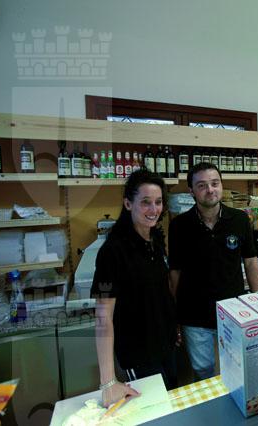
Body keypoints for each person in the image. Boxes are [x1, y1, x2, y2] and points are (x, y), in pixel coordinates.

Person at [91, 170, 179, 407]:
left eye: (158, 202)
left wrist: (174, 327)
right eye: (146, 202)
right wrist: (108, 383)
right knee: (153, 411)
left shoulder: (156, 239)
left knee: (171, 407)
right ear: (128, 203)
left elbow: (160, 292)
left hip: (167, 345)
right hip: (139, 354)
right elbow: (102, 317)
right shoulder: (112, 252)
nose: (154, 209)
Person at [169, 162, 258, 381]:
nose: (210, 189)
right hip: (194, 315)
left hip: (233, 311)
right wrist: (175, 314)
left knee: (237, 367)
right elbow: (175, 273)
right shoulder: (179, 225)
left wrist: (256, 300)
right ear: (191, 191)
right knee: (204, 371)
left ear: (221, 185)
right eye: (202, 185)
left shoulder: (239, 219)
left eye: (215, 183)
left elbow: (250, 262)